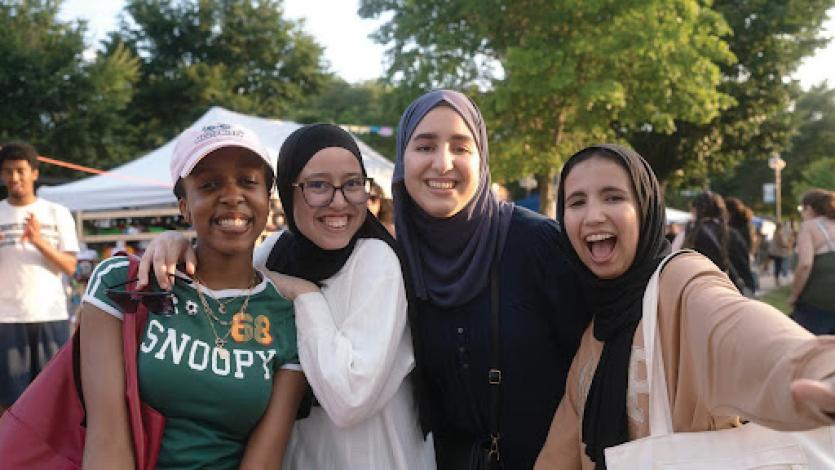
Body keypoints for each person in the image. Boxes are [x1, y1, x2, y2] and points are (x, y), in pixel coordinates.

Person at [136, 123, 435, 469]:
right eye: (318, 185)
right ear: (288, 191)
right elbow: (223, 285)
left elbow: (350, 398)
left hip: (369, 458)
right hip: (297, 455)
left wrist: (306, 295)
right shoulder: (276, 251)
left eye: (353, 184)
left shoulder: (375, 260)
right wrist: (173, 243)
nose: (338, 201)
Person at [534, 144, 835, 470]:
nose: (593, 215)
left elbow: (740, 327)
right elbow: (560, 452)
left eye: (613, 197)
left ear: (645, 207)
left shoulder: (681, 281)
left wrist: (822, 369)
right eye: (577, 202)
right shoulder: (595, 333)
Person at [79, 123, 311, 468]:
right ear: (185, 207)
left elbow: (263, 460)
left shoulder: (287, 315)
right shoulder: (125, 283)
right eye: (209, 184)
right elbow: (106, 437)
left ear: (268, 199)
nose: (232, 195)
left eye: (248, 181)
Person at [393, 90, 590, 468]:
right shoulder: (395, 261)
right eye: (424, 146)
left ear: (482, 158)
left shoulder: (537, 244)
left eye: (461, 147)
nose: (442, 163)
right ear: (403, 158)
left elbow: (595, 365)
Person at [0, 141, 79, 414]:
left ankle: (52, 457)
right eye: (8, 171)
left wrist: (38, 241)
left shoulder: (57, 213)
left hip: (50, 315)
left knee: (55, 400)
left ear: (34, 172)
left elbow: (71, 266)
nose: (15, 177)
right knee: (9, 403)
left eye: (21, 170)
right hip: (6, 319)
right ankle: (9, 456)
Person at [681, 191, 754, 295]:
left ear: (695, 210)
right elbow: (744, 266)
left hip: (700, 294)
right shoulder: (732, 234)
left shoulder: (691, 236)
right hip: (732, 293)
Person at [790, 189, 835, 335]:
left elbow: (805, 265)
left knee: (809, 350)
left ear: (808, 208)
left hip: (817, 303)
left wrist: (794, 296)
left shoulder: (809, 227)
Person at [769, 220, 794, 286]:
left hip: (776, 252)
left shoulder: (776, 232)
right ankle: (779, 280)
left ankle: (778, 280)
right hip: (779, 253)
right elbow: (781, 243)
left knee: (777, 266)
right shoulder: (779, 233)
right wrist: (788, 245)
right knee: (779, 266)